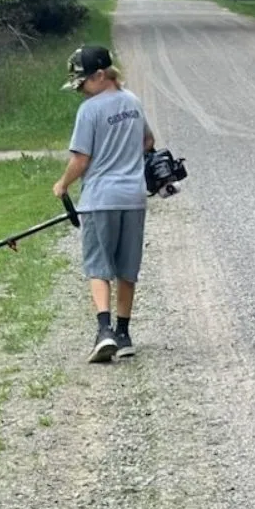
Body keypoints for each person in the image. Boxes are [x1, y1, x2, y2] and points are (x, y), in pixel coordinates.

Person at [53, 44, 155, 363]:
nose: (81, 90)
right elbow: (148, 141)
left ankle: (104, 331)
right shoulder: (133, 102)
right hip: (134, 198)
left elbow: (81, 159)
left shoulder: (90, 110)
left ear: (100, 76)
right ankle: (124, 334)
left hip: (100, 199)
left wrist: (62, 184)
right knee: (127, 267)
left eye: (82, 83)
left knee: (98, 265)